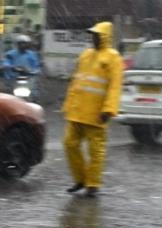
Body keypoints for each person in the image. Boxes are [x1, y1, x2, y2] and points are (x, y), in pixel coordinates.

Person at [62, 21, 122, 197]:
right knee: (69, 144)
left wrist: (108, 110)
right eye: (92, 35)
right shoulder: (85, 55)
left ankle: (92, 184)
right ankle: (80, 179)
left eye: (96, 35)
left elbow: (114, 87)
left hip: (96, 114)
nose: (93, 38)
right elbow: (76, 81)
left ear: (104, 37)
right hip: (77, 112)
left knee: (96, 151)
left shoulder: (113, 58)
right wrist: (68, 104)